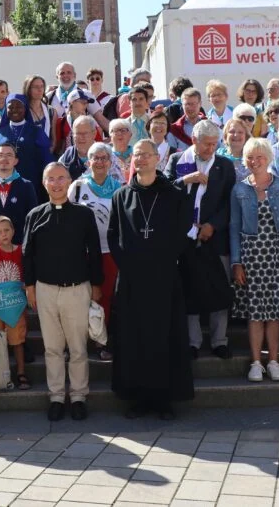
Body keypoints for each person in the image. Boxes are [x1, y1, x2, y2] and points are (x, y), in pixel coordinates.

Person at [108, 139, 194, 419]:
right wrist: (130, 265)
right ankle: (137, 398)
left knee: (164, 337)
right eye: (137, 155)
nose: (142, 159)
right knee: (133, 339)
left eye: (147, 155)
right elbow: (113, 235)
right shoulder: (122, 195)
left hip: (164, 278)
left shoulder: (174, 193)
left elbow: (182, 232)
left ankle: (163, 399)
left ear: (157, 158)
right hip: (132, 280)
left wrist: (160, 262)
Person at [23, 162, 103, 421]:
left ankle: (78, 396)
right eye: (51, 179)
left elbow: (94, 253)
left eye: (61, 178)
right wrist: (30, 286)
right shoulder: (35, 214)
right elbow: (28, 255)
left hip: (77, 289)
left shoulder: (83, 214)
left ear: (69, 181)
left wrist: (97, 285)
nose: (57, 184)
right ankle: (56, 396)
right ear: (44, 183)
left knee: (78, 348)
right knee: (53, 348)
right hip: (45, 290)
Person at [231, 138, 279, 384]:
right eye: (250, 157)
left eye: (259, 156)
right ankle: (256, 363)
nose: (255, 161)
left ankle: (273, 361)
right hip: (252, 256)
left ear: (269, 158)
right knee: (255, 312)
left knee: (276, 311)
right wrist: (236, 262)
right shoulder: (239, 189)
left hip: (278, 255)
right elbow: (234, 226)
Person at [166, 121, 236, 360]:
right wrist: (185, 181)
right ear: (194, 140)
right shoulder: (178, 161)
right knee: (189, 291)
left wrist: (213, 226)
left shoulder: (224, 165)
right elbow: (164, 191)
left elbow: (230, 203)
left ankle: (219, 341)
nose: (211, 148)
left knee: (218, 289)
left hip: (214, 238)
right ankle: (193, 342)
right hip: (185, 238)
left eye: (215, 144)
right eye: (207, 144)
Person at [68, 142, 121, 361]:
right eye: (95, 158)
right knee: (79, 297)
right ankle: (77, 342)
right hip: (83, 252)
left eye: (103, 158)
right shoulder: (78, 186)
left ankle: (102, 341)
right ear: (88, 162)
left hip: (109, 251)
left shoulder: (119, 188)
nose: (99, 162)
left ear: (110, 162)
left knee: (106, 297)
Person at [0, 215, 30, 390]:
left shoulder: (21, 251)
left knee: (17, 339)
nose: (4, 234)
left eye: (6, 230)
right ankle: (0, 372)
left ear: (13, 231)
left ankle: (20, 372)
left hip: (17, 305)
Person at [0, 94, 53, 198]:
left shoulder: (36, 131)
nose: (15, 110)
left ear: (25, 108)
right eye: (10, 107)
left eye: (19, 106)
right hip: (4, 186)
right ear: (6, 109)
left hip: (33, 184)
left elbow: (46, 158)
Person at [0, 143, 38, 245]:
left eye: (9, 155)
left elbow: (32, 220)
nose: (4, 158)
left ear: (16, 161)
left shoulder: (26, 186)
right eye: (0, 155)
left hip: (18, 247)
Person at [49, 62, 110, 133]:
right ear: (57, 77)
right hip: (58, 142)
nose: (66, 75)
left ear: (74, 75)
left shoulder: (86, 94)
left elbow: (102, 120)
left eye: (69, 72)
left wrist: (117, 132)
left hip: (81, 140)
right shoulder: (50, 96)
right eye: (62, 73)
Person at [23, 75, 56, 150]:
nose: (40, 90)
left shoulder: (51, 111)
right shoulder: (22, 110)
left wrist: (47, 154)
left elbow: (54, 139)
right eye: (36, 87)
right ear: (28, 89)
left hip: (45, 154)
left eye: (42, 86)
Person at [60, 115, 98, 180]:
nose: (81, 137)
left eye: (85, 133)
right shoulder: (68, 155)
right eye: (77, 133)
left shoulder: (105, 154)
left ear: (94, 133)